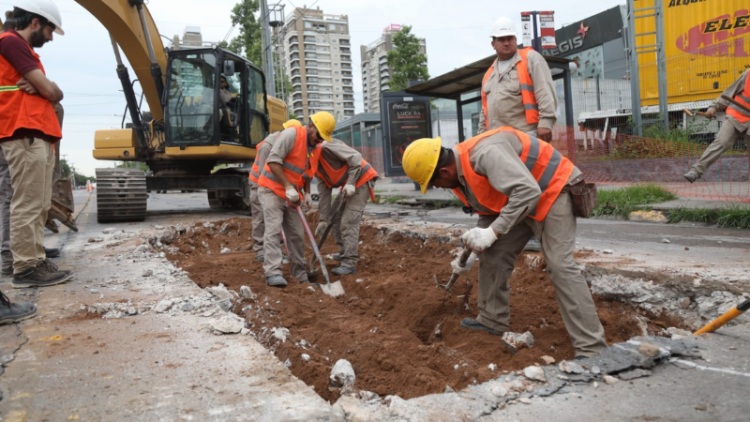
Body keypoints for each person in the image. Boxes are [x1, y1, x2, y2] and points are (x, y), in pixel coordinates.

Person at [401, 127, 608, 358]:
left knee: (560, 265)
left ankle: (593, 349)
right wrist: (476, 246)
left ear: (444, 171)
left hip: (553, 189)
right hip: (518, 200)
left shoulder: (485, 154)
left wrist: (493, 232)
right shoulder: (460, 175)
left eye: (433, 182)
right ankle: (492, 319)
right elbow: (488, 208)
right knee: (492, 253)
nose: (436, 188)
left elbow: (528, 192)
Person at [0, 1, 72, 288]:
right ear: (34, 22)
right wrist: (48, 90)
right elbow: (53, 92)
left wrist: (48, 90)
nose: (50, 37)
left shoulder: (20, 48)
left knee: (38, 203)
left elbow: (53, 92)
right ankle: (25, 267)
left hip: (34, 133)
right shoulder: (12, 44)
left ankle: (33, 258)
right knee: (27, 203)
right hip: (22, 132)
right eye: (49, 29)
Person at [479, 17, 558, 253]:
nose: (506, 43)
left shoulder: (530, 59)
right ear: (492, 43)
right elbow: (485, 113)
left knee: (533, 186)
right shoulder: (489, 74)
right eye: (501, 39)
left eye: (510, 38)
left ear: (516, 40)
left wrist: (546, 121)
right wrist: (480, 141)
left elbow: (545, 90)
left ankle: (540, 234)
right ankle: (517, 233)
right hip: (499, 144)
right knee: (511, 189)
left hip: (527, 137)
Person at [257, 112, 335, 287]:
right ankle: (273, 273)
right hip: (271, 189)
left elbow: (307, 174)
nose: (320, 140)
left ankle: (300, 276)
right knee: (274, 228)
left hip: (291, 195)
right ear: (310, 126)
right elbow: (273, 161)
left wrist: (306, 193)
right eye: (319, 136)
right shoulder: (290, 135)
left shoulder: (316, 148)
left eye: (324, 138)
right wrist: (287, 187)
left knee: (297, 234)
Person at [313, 139, 378, 275]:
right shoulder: (315, 166)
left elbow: (356, 157)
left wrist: (351, 183)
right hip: (350, 185)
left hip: (362, 180)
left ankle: (349, 263)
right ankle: (345, 251)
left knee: (348, 222)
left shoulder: (326, 148)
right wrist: (323, 219)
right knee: (333, 217)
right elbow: (324, 194)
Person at [248, 118, 302, 262]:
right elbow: (263, 175)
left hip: (275, 185)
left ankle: (277, 250)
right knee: (261, 218)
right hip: (259, 184)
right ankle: (260, 250)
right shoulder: (268, 146)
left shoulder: (289, 144)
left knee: (276, 220)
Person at [684, 69, 750, 183]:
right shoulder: (748, 75)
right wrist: (713, 107)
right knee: (721, 142)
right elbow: (728, 93)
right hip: (736, 116)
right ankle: (696, 171)